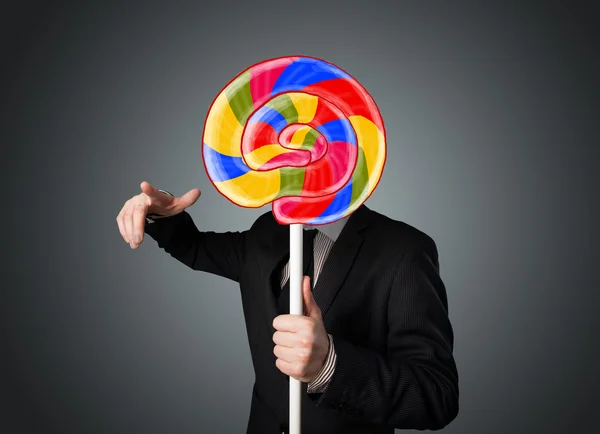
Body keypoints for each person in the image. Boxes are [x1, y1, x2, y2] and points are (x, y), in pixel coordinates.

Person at [116, 181, 459, 433]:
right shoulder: (268, 231)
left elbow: (436, 395)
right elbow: (197, 248)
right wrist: (161, 215)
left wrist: (330, 364)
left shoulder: (404, 250)